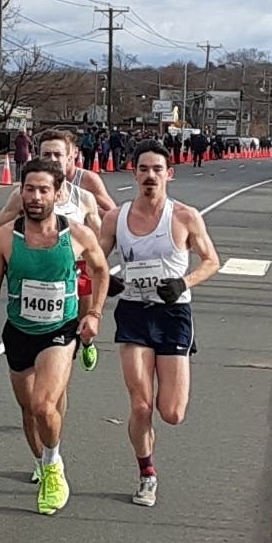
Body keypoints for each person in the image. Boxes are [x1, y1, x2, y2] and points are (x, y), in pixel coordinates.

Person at [0, 158, 110, 514]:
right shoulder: (3, 238)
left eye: (44, 190)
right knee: (28, 413)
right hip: (19, 332)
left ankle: (53, 466)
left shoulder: (76, 235)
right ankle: (41, 459)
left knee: (43, 405)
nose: (35, 197)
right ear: (20, 191)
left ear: (58, 193)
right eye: (29, 189)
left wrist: (93, 313)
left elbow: (100, 270)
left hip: (59, 331)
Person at [98, 140, 221, 507]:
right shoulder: (115, 218)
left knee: (172, 413)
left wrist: (183, 282)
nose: (150, 176)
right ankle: (146, 474)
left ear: (169, 174)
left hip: (173, 316)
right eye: (143, 169)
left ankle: (166, 408)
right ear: (134, 173)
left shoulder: (184, 216)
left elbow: (211, 260)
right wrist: (108, 281)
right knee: (140, 405)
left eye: (157, 170)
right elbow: (93, 259)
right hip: (134, 313)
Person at [0, 131, 104, 372]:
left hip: (76, 268)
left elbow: (101, 234)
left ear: (70, 156)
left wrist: (99, 265)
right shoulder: (23, 195)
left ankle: (85, 341)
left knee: (76, 325)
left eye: (57, 154)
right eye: (46, 154)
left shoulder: (84, 194)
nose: (52, 159)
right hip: (37, 269)